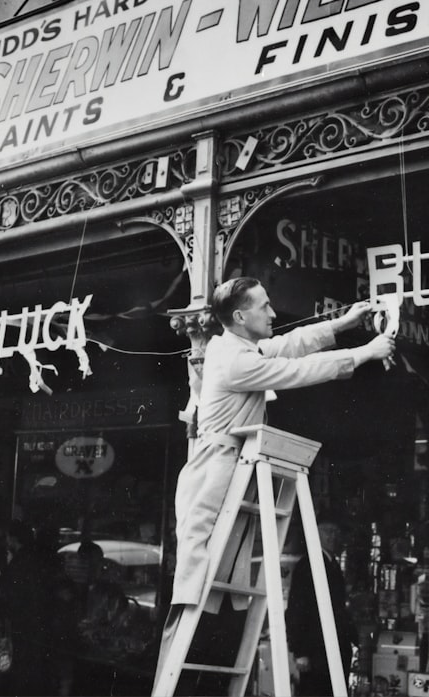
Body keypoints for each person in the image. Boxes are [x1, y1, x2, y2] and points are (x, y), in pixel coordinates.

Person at [158, 277, 394, 689]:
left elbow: (292, 344)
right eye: (263, 306)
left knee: (217, 596)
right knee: (196, 592)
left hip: (231, 477)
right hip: (214, 482)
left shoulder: (235, 347)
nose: (272, 313)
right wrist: (365, 353)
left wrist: (343, 323)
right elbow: (297, 369)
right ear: (239, 316)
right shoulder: (234, 360)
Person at [286, 517, 358, 696]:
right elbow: (297, 608)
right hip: (315, 650)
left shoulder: (332, 565)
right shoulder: (308, 565)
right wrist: (300, 651)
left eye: (336, 532)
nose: (332, 537)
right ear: (315, 534)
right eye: (327, 531)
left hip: (334, 648)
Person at [3, 519, 57, 696]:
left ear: (13, 539)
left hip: (23, 628)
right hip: (41, 627)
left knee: (22, 675)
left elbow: (11, 600)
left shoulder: (18, 564)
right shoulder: (38, 560)